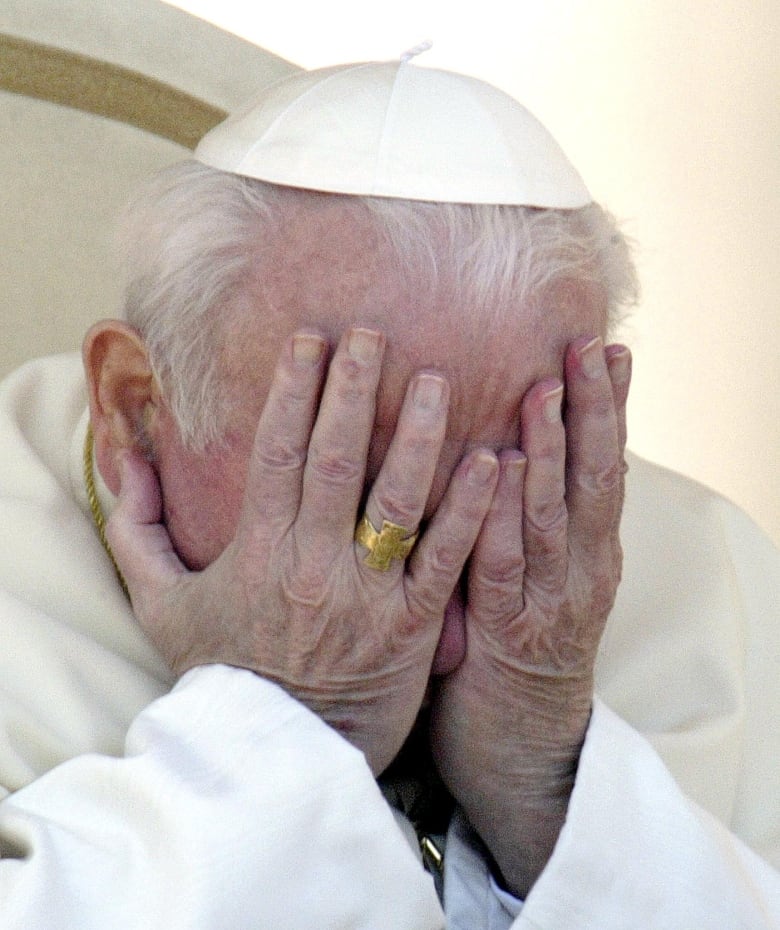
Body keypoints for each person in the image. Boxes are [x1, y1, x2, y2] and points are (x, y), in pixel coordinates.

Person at [0, 59, 778, 928]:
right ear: (137, 406)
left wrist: (554, 785)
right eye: (363, 495)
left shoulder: (724, 588)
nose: (429, 627)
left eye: (513, 493)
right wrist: (285, 732)